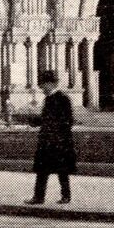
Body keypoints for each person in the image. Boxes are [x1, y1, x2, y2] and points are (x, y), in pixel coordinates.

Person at [27, 70, 75, 204]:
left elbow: (68, 120)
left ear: (51, 84)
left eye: (43, 84)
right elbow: (46, 119)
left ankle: (65, 196)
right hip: (47, 140)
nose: (41, 88)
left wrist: (53, 130)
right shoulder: (48, 99)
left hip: (59, 141)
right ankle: (39, 197)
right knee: (42, 170)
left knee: (62, 170)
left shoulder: (63, 99)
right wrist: (34, 120)